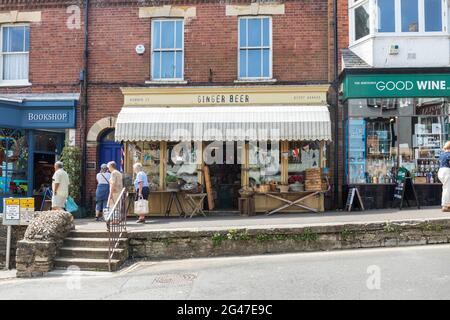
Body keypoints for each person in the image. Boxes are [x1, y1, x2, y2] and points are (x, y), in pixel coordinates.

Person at [438, 141, 450, 212]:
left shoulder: (442, 154)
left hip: (441, 171)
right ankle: (445, 206)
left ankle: (447, 204)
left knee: (446, 188)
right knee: (447, 189)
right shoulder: (449, 154)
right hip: (446, 171)